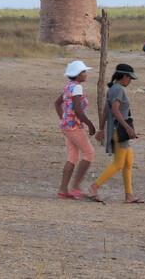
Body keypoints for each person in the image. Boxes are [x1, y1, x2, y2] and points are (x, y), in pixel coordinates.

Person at [88, 63, 143, 204]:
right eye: (129, 78)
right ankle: (94, 187)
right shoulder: (118, 90)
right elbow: (115, 110)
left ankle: (129, 195)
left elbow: (106, 110)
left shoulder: (112, 89)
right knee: (118, 164)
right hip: (120, 131)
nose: (130, 81)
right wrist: (128, 128)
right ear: (124, 76)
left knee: (128, 162)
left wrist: (101, 129)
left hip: (116, 130)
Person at [54, 60, 96, 199]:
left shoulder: (68, 86)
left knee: (72, 157)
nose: (85, 74)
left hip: (66, 126)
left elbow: (57, 103)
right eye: (83, 72)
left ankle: (63, 190)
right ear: (77, 74)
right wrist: (90, 124)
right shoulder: (77, 87)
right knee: (89, 154)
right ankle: (75, 186)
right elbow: (78, 110)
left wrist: (63, 118)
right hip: (74, 126)